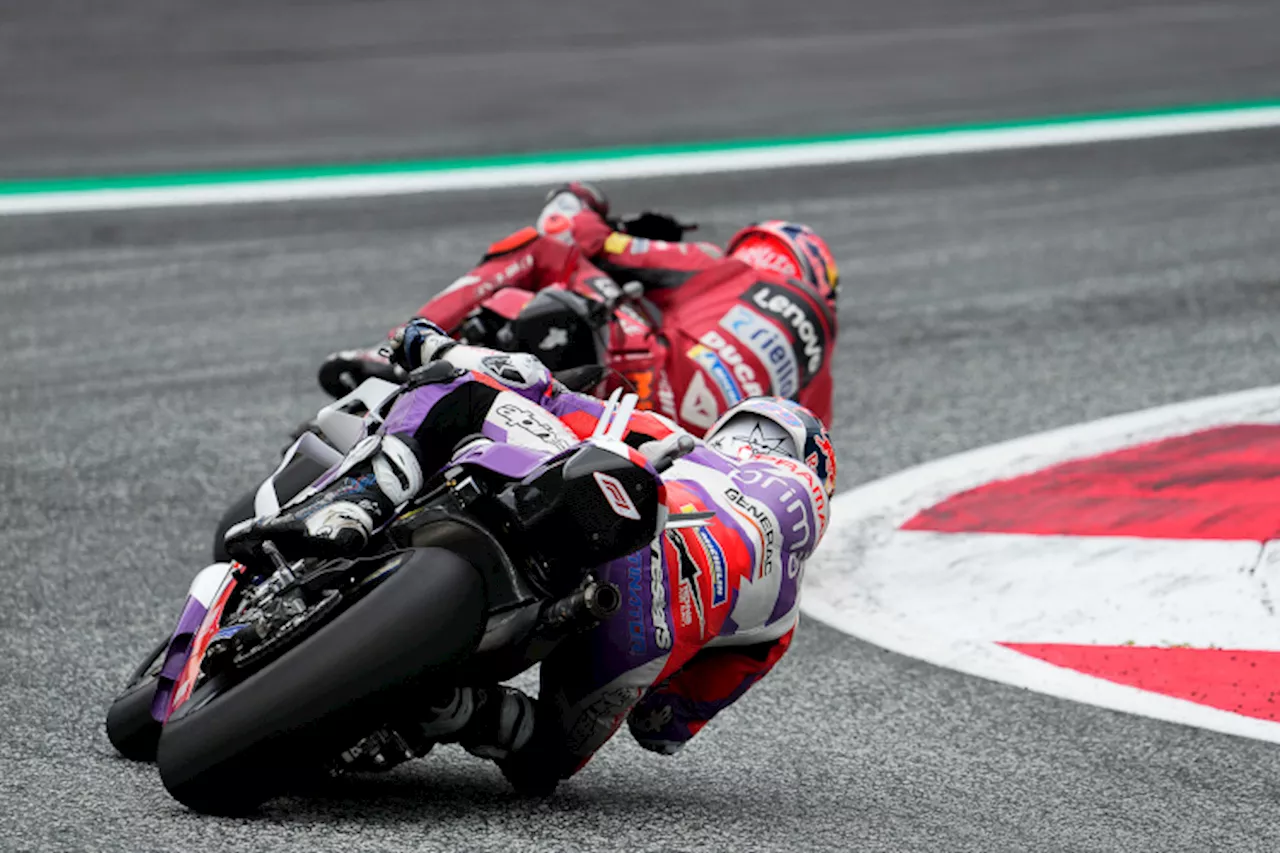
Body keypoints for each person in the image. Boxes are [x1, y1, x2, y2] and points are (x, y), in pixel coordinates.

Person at [228, 320, 836, 794]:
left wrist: (431, 344)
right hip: (638, 635)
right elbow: (663, 729)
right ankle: (461, 710)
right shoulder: (783, 611)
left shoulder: (683, 444)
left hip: (616, 516)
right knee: (544, 762)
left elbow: (533, 386)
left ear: (734, 428)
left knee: (461, 391)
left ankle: (358, 502)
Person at [328, 182, 839, 435]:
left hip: (639, 367)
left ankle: (396, 346)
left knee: (547, 241)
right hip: (675, 445)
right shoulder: (820, 382)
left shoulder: (726, 268)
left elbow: (586, 239)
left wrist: (596, 212)